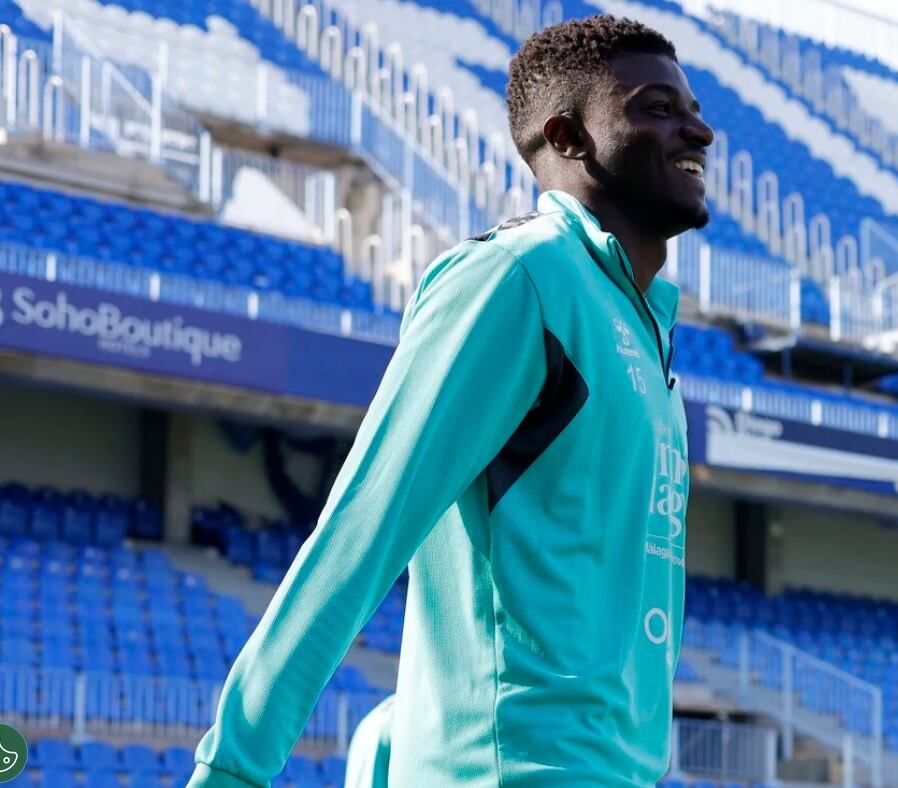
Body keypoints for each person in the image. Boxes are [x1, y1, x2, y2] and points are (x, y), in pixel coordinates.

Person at [188, 14, 712, 786]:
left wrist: (396, 734)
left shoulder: (646, 329)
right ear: (567, 136)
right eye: (657, 108)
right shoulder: (519, 280)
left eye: (692, 109)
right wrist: (232, 770)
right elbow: (360, 534)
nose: (697, 130)